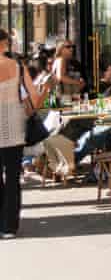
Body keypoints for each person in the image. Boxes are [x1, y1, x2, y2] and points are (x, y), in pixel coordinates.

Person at [0, 28, 39, 239]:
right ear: (3, 43)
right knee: (13, 176)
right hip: (14, 125)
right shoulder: (17, 66)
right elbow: (33, 97)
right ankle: (9, 226)